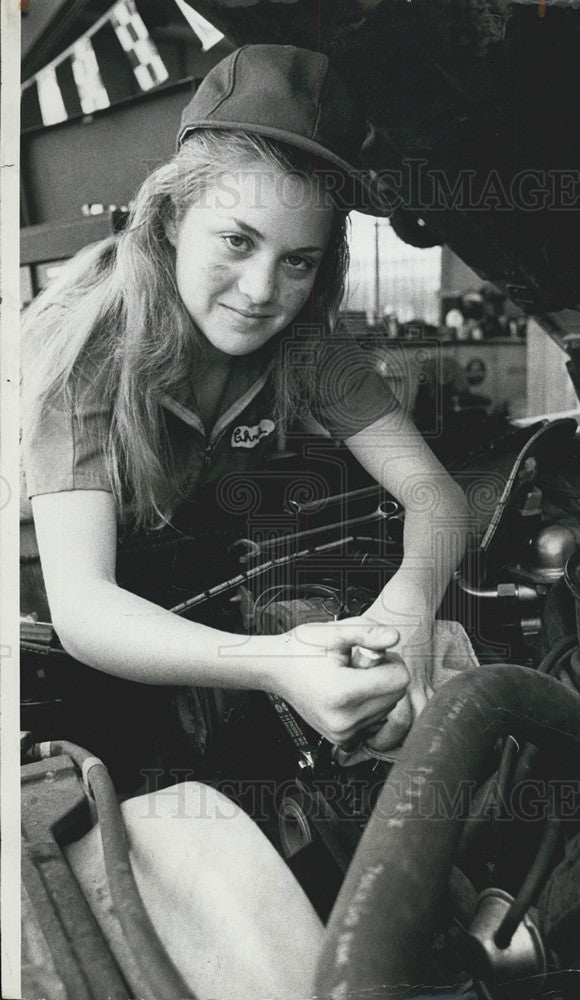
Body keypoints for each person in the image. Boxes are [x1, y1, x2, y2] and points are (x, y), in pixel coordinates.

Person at [21, 44, 474, 759]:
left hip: (178, 563)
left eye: (297, 261)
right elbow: (83, 609)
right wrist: (274, 664)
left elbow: (437, 498)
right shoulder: (88, 346)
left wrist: (408, 606)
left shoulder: (306, 343)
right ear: (170, 218)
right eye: (236, 240)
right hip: (49, 595)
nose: (262, 290)